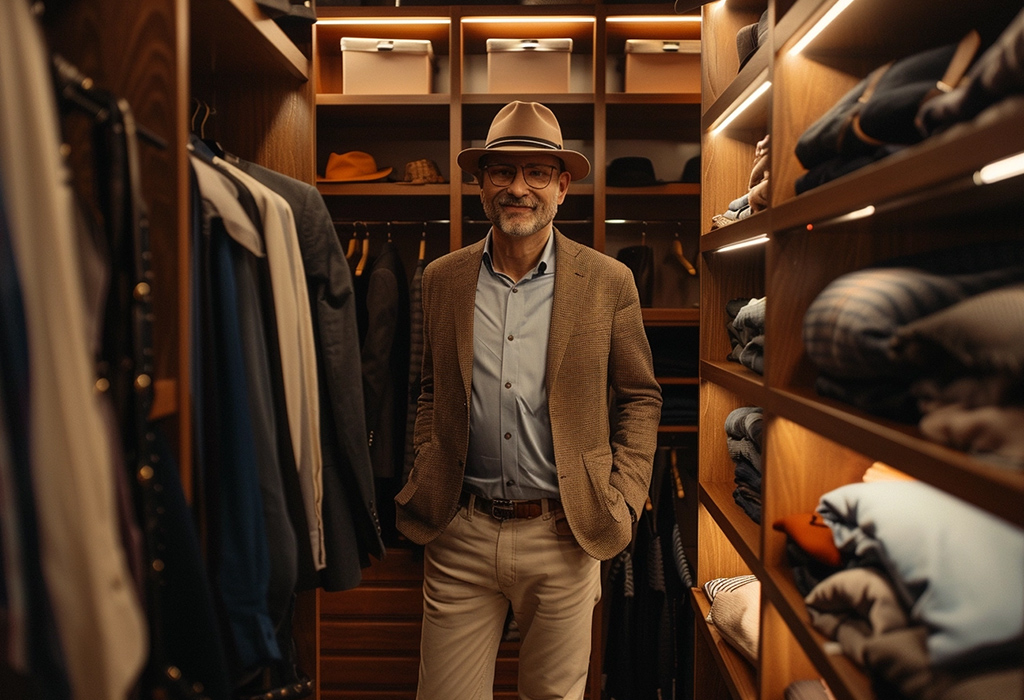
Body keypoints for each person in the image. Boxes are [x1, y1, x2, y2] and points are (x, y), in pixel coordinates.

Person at [394, 100, 663, 700]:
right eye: (502, 172)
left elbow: (641, 396)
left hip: (565, 532)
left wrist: (625, 495)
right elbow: (432, 389)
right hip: (460, 530)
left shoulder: (608, 281)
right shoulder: (441, 277)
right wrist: (427, 462)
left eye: (536, 173)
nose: (518, 188)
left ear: (562, 186)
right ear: (481, 183)